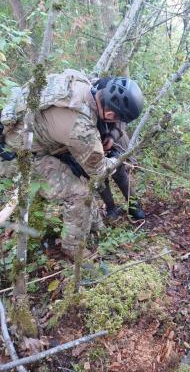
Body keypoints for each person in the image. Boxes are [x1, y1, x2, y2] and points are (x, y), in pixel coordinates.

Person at [0, 70, 144, 260]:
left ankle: (94, 224)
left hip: (24, 137)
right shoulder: (81, 128)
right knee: (79, 192)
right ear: (109, 114)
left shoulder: (82, 83)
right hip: (18, 156)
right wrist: (118, 159)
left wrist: (111, 135)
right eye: (117, 119)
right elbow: (99, 172)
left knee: (79, 174)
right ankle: (73, 248)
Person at [92, 77, 145, 221]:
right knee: (100, 178)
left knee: (120, 172)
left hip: (109, 141)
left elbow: (121, 121)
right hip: (90, 145)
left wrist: (112, 137)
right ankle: (111, 208)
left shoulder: (114, 97)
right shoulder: (86, 108)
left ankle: (134, 205)